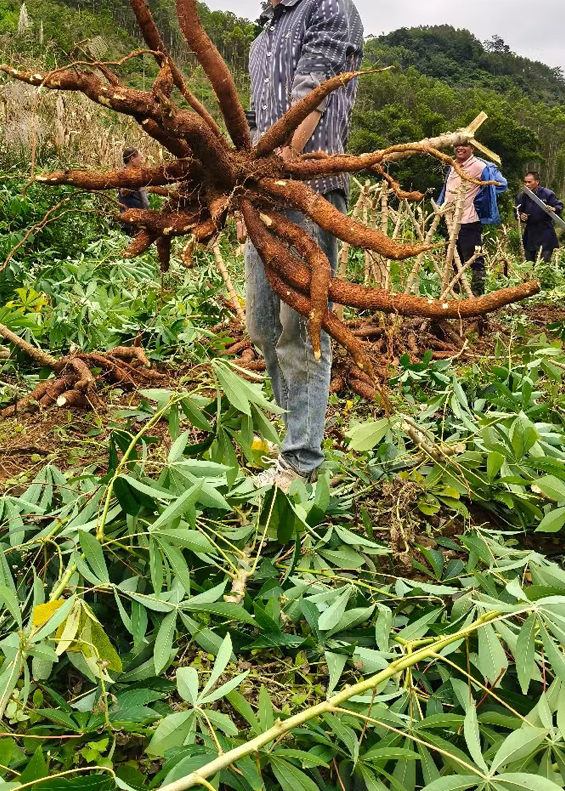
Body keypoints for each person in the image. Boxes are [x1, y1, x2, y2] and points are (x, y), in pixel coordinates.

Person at [242, 0, 364, 491]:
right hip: (263, 193)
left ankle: (301, 462)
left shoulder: (328, 6)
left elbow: (311, 95)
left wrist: (279, 164)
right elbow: (255, 117)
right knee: (262, 326)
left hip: (309, 189)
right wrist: (246, 192)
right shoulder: (263, 34)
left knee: (302, 329)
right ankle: (286, 443)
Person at [437, 143, 508, 296]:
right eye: (457, 145)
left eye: (464, 145)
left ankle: (477, 294)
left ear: (472, 148)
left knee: (474, 258)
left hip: (469, 220)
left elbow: (502, 184)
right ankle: (454, 292)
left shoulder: (480, 166)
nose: (460, 148)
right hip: (451, 221)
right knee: (452, 258)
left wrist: (482, 196)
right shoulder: (453, 165)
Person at [516, 172, 563, 263]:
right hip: (530, 233)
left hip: (545, 232)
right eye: (525, 182)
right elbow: (516, 211)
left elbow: (559, 206)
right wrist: (521, 216)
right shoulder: (522, 196)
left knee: (544, 262)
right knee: (529, 262)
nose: (527, 184)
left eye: (529, 182)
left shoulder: (548, 194)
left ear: (537, 182)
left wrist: (553, 209)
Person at [118, 147, 149, 235]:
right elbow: (123, 192)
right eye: (140, 158)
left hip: (140, 219)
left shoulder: (137, 174)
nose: (142, 162)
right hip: (132, 221)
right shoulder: (124, 175)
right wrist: (134, 183)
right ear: (132, 159)